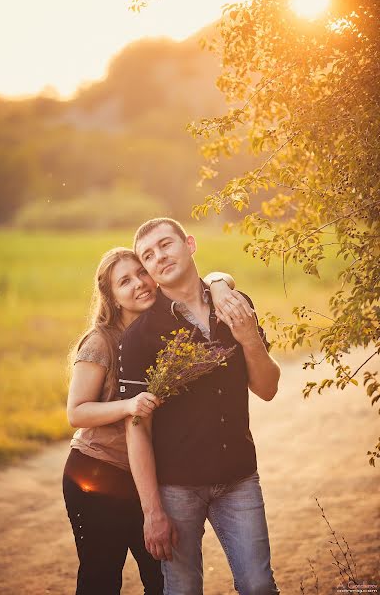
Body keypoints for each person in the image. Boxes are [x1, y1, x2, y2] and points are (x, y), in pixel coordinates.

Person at [63, 245, 240, 595]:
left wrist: (220, 283)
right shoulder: (102, 341)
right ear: (112, 298)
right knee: (101, 580)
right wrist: (129, 406)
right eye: (124, 281)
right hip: (99, 473)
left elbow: (216, 280)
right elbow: (76, 412)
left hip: (149, 480)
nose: (139, 284)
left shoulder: (167, 331)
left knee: (161, 581)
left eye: (142, 272)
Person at [120, 218, 281, 595]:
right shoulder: (140, 337)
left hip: (239, 479)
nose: (159, 257)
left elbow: (268, 389)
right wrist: (152, 511)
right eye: (148, 255)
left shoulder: (236, 304)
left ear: (189, 244)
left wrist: (248, 337)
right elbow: (137, 428)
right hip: (176, 488)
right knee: (184, 589)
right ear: (147, 271)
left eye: (165, 245)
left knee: (259, 586)